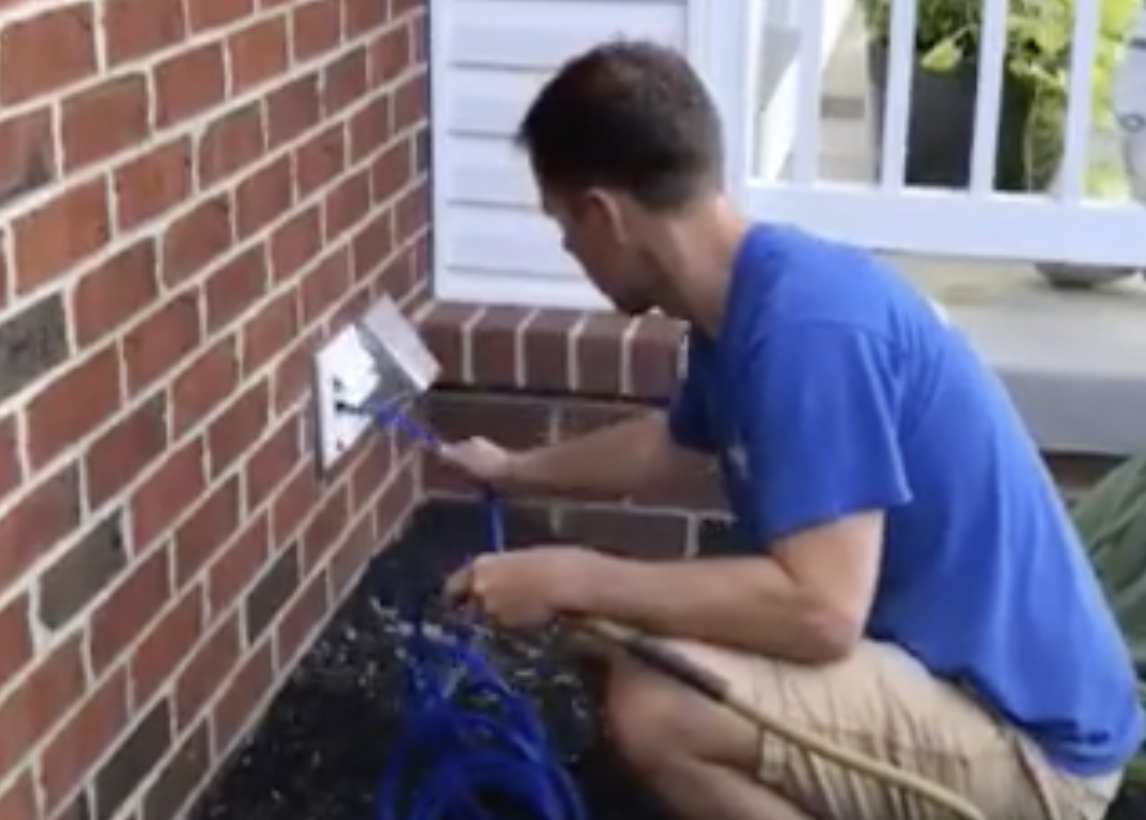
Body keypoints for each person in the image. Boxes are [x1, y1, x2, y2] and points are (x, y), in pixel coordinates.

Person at [436, 39, 1144, 820]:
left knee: (658, 702)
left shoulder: (809, 332)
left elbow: (820, 612)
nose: (570, 250)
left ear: (605, 214)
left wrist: (572, 575)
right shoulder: (747, 300)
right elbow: (670, 446)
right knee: (621, 641)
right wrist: (512, 469)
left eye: (565, 226)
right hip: (960, 681)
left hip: (1031, 749)